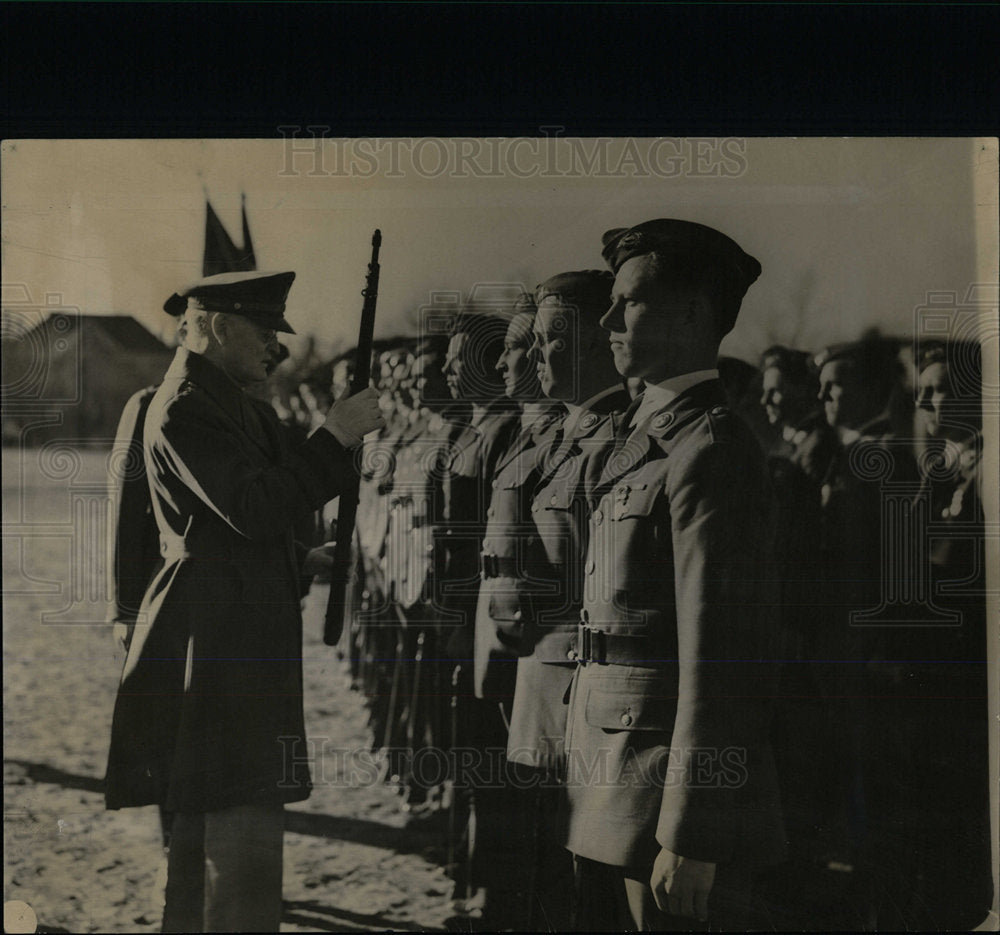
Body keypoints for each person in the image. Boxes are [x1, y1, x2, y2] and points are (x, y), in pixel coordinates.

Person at [104, 268, 384, 933]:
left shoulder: (218, 397)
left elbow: (231, 527)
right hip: (220, 648)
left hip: (229, 639)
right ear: (222, 325)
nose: (276, 348)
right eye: (264, 331)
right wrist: (335, 435)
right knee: (237, 842)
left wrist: (299, 558)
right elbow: (254, 508)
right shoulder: (184, 403)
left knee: (216, 838)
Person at [563, 219, 785, 930]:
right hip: (607, 776)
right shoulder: (646, 437)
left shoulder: (712, 448)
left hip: (663, 799)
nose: (605, 320)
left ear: (690, 313)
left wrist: (692, 832)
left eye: (625, 301)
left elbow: (724, 661)